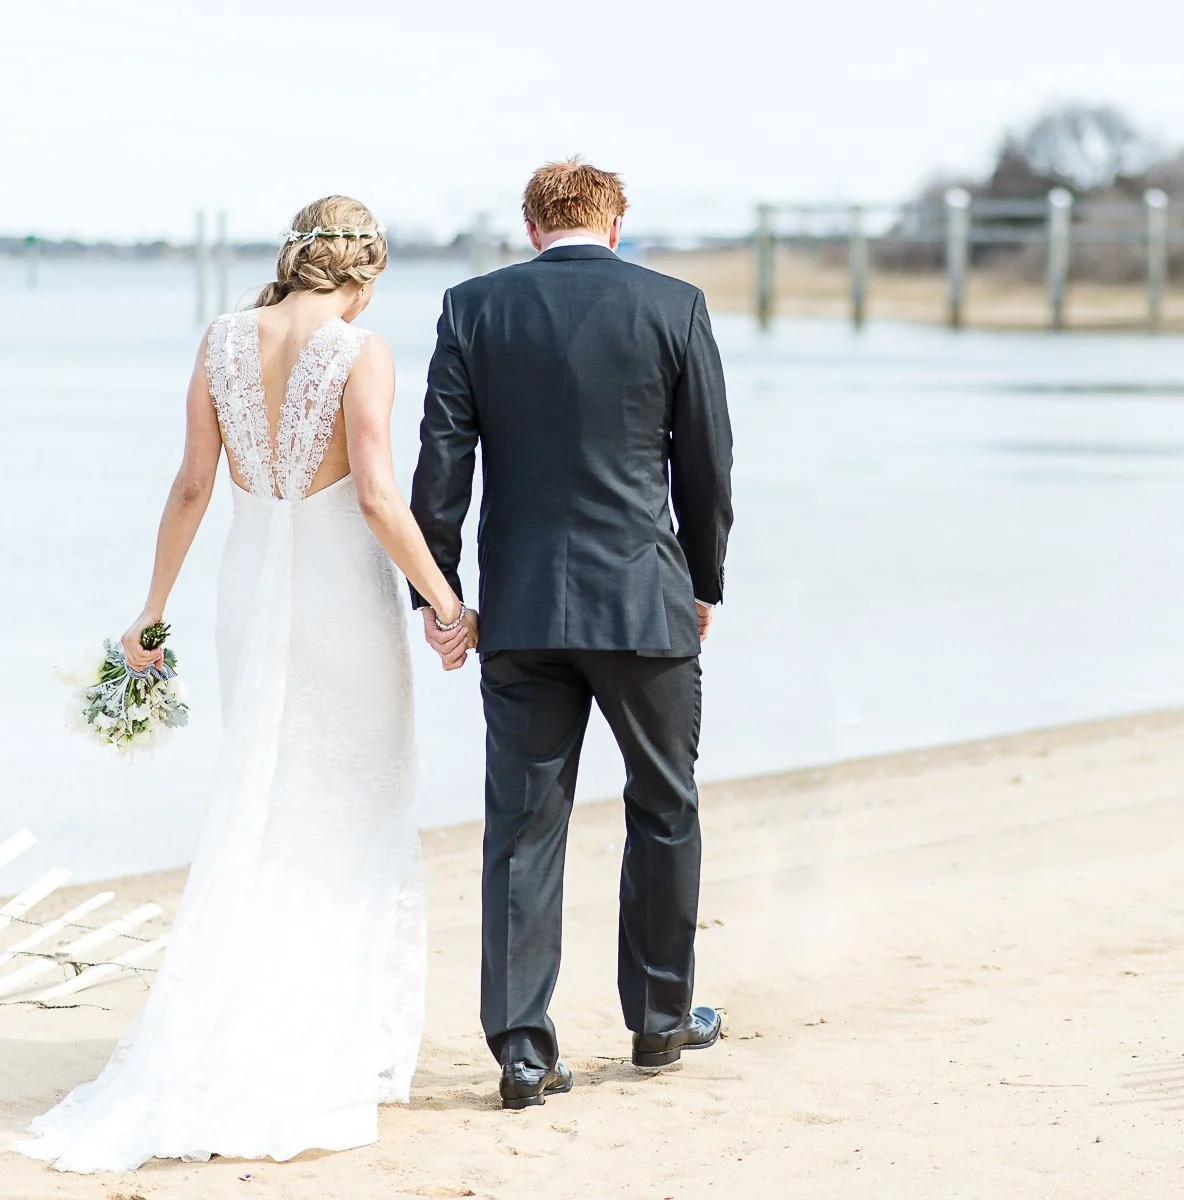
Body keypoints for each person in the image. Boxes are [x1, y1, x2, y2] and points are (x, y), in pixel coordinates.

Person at [15, 196, 467, 1172]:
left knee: (266, 793)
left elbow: (191, 486)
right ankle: (325, 1036)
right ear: (365, 271)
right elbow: (381, 497)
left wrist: (151, 610)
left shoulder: (221, 339)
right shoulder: (363, 348)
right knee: (348, 802)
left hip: (248, 591)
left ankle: (249, 1015)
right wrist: (444, 602)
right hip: (342, 597)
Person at [410, 158, 733, 1109]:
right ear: (617, 223)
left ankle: (520, 1049)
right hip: (643, 603)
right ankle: (660, 1022)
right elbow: (708, 464)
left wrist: (441, 595)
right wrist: (704, 584)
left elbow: (443, 461)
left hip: (522, 610)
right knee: (664, 806)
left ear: (531, 227)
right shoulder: (674, 305)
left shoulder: (474, 308)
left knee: (521, 826)